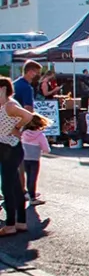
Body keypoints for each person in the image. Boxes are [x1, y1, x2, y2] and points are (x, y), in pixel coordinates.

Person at [0, 78, 37, 236]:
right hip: (7, 148)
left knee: (7, 187)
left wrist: (17, 127)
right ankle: (20, 222)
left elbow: (28, 116)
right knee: (15, 186)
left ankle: (10, 224)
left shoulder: (10, 105)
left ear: (2, 89)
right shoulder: (4, 105)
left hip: (10, 148)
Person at [21, 114, 51, 207]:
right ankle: (32, 197)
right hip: (34, 159)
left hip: (24, 158)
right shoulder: (40, 135)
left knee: (26, 176)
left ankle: (29, 193)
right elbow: (46, 149)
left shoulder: (23, 133)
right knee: (32, 178)